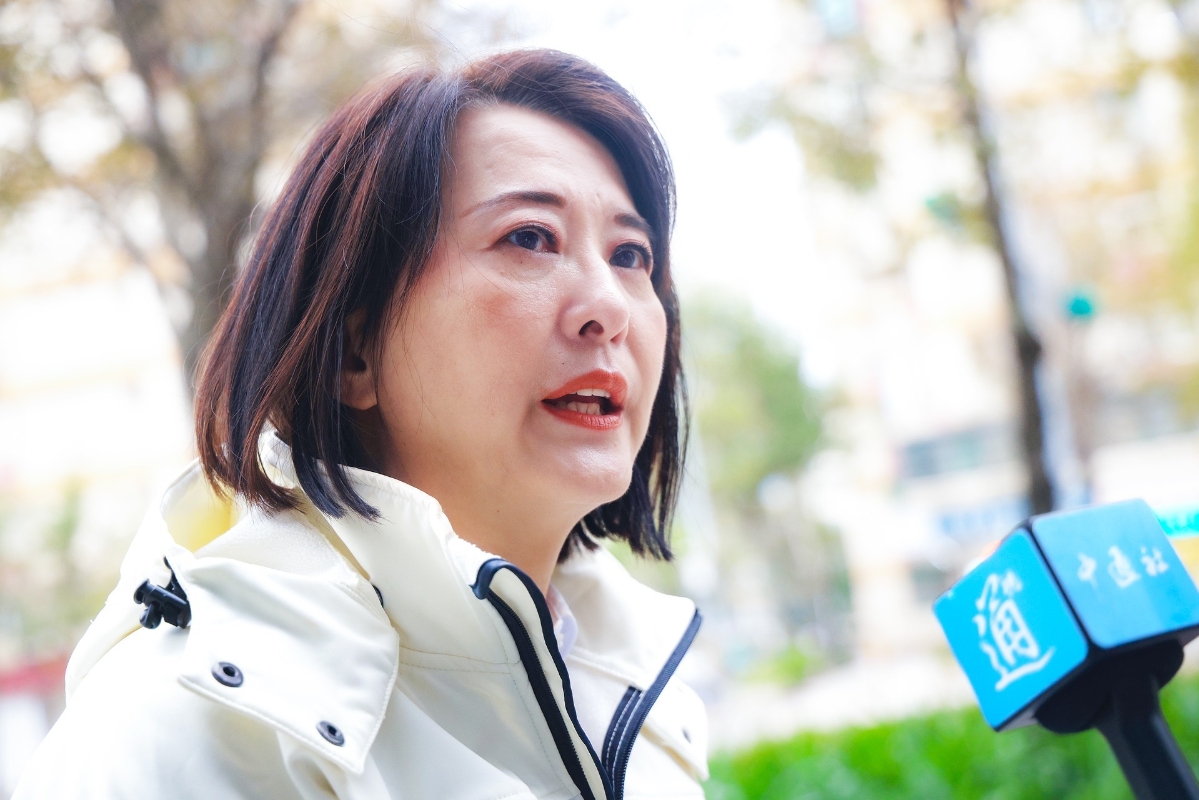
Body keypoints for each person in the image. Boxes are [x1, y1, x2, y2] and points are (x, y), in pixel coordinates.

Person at [15, 49, 707, 799]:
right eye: (530, 237)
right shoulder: (188, 734)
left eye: (631, 254)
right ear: (354, 352)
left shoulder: (646, 704)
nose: (608, 305)